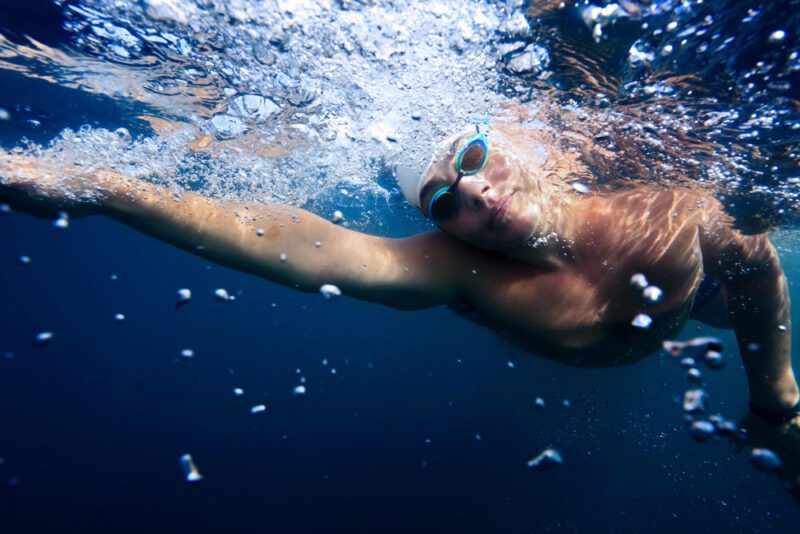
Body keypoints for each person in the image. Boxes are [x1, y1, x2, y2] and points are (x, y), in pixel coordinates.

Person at [1, 119, 799, 484]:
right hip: (628, 328)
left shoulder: (667, 206)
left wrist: (775, 400)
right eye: (444, 201)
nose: (474, 192)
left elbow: (760, 273)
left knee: (728, 298)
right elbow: (303, 247)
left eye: (475, 158)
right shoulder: (460, 271)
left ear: (519, 146)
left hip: (692, 304)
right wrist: (102, 188)